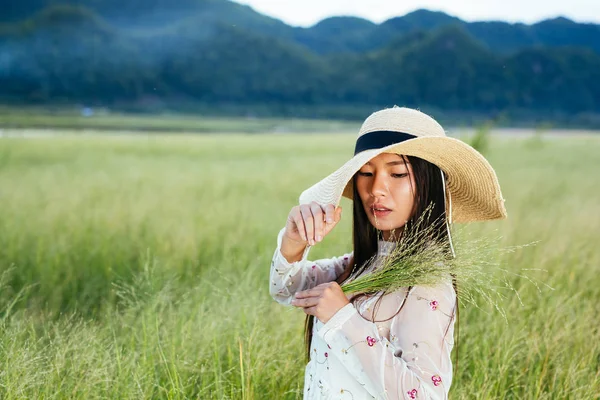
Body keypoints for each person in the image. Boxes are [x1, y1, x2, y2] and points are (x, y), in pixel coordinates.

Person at [269, 107, 507, 399]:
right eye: (366, 172)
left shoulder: (426, 282)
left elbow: (425, 395)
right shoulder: (362, 265)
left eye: (397, 173)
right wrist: (294, 241)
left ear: (429, 183)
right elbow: (285, 289)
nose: (376, 189)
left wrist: (344, 319)